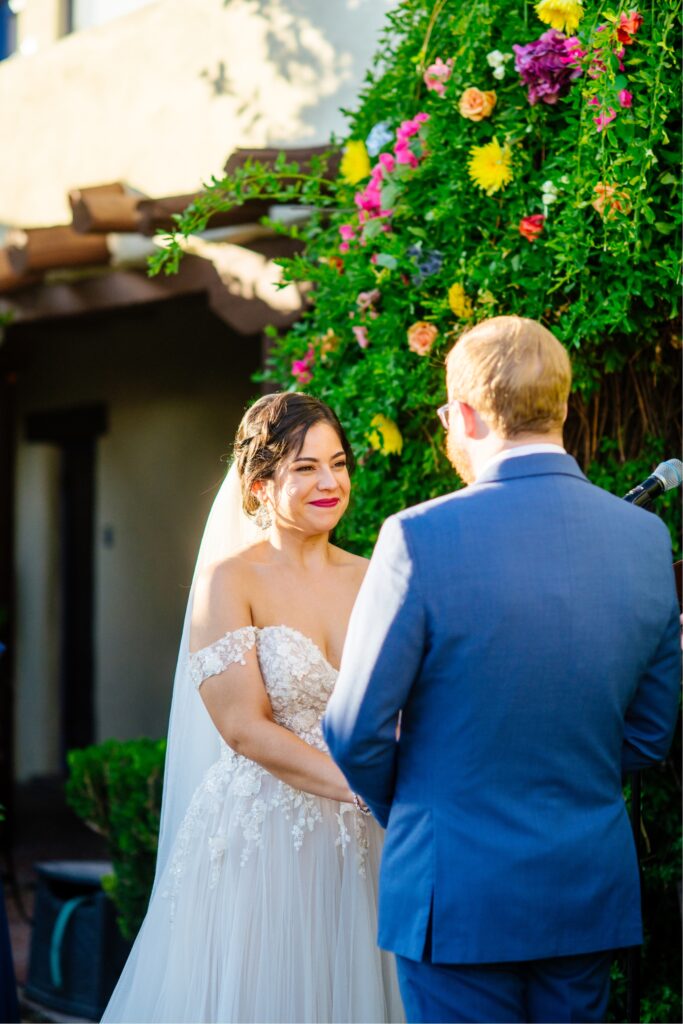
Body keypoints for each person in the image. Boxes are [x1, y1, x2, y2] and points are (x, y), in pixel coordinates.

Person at [324, 315, 681, 1024]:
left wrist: (426, 811)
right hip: (582, 887)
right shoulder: (644, 539)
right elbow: (647, 734)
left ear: (462, 414)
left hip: (453, 887)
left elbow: (353, 729)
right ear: (565, 406)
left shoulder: (417, 537)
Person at [102, 392, 403, 1023]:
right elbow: (242, 728)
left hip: (370, 831)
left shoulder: (377, 573)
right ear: (261, 482)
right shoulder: (229, 580)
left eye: (339, 463)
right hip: (269, 835)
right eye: (306, 467)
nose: (331, 482)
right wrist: (365, 785)